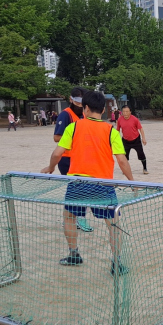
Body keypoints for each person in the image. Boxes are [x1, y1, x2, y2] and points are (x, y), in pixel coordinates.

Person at [41, 90, 134, 276]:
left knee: (69, 217)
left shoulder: (74, 127)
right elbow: (122, 161)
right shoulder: (110, 130)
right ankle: (116, 263)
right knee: (113, 223)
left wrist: (50, 167)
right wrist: (133, 181)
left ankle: (74, 254)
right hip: (103, 184)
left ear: (86, 108)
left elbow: (57, 153)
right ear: (103, 111)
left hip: (78, 183)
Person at [53, 87, 93, 232]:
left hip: (81, 158)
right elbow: (56, 137)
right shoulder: (66, 115)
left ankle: (75, 218)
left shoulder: (84, 114)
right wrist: (75, 137)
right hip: (67, 159)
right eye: (77, 101)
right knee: (77, 189)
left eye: (82, 101)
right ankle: (75, 219)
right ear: (71, 100)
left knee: (82, 188)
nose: (79, 104)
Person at [117, 105, 148, 175]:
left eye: (127, 111)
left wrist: (143, 138)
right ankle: (125, 170)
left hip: (136, 140)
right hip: (125, 140)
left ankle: (145, 168)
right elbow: (117, 130)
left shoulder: (134, 119)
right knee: (125, 156)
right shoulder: (120, 120)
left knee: (141, 154)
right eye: (123, 112)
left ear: (130, 112)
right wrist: (116, 140)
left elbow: (141, 129)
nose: (125, 113)